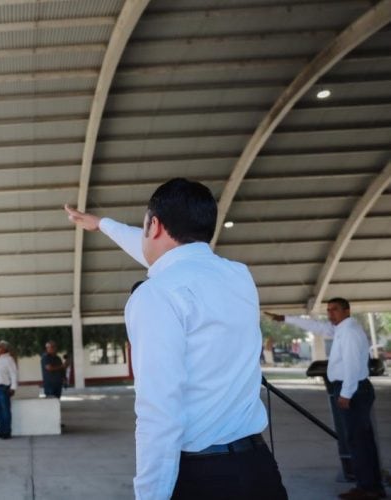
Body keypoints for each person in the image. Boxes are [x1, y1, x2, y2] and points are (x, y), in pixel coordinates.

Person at [65, 178, 287, 500]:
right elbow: (175, 260)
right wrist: (102, 225)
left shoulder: (157, 295)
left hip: (204, 479)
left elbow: (159, 411)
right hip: (258, 469)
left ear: (154, 225)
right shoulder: (237, 276)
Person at [266, 300, 386, 500]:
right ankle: (371, 486)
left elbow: (352, 365)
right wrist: (286, 318)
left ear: (347, 311)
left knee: (357, 442)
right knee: (362, 441)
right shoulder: (342, 329)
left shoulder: (348, 332)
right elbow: (317, 327)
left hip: (352, 389)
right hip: (354, 388)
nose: (331, 314)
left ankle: (368, 488)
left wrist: (346, 393)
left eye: (335, 309)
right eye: (328, 310)